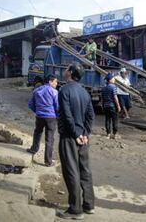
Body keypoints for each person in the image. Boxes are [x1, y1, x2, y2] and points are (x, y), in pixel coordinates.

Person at [57, 63, 95, 220]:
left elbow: (66, 115)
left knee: (72, 171)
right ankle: (89, 205)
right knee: (85, 170)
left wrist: (76, 134)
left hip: (70, 137)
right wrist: (85, 133)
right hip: (83, 139)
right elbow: (90, 116)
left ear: (71, 73)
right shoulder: (85, 92)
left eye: (67, 68)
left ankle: (75, 210)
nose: (65, 70)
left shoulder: (64, 90)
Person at [27, 74, 59, 167]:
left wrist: (38, 111)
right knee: (49, 139)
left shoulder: (36, 90)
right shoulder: (54, 92)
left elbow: (30, 104)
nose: (56, 84)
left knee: (37, 132)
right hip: (51, 118)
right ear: (50, 81)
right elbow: (57, 106)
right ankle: (48, 161)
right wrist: (56, 115)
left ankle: (34, 149)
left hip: (39, 116)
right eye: (55, 81)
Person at [102, 72, 121, 139]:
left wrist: (103, 106)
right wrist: (118, 106)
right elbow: (115, 97)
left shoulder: (104, 88)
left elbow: (102, 98)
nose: (114, 79)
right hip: (112, 106)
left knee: (107, 120)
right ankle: (115, 134)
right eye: (113, 78)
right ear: (110, 80)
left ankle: (108, 134)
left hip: (106, 106)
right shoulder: (113, 87)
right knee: (114, 120)